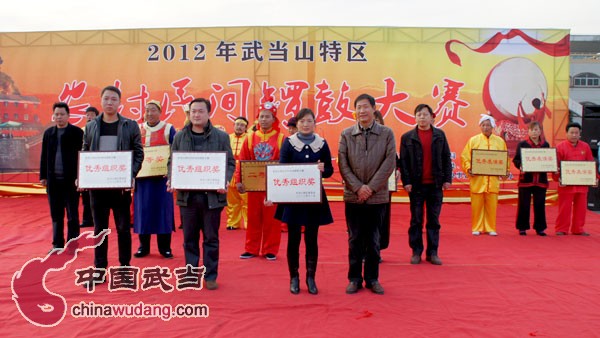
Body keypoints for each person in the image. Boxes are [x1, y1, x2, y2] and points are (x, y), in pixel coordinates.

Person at [167, 98, 235, 290]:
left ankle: (210, 275)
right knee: (189, 238)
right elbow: (173, 161)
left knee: (211, 238)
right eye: (193, 112)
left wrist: (225, 180)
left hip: (212, 197)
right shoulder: (180, 136)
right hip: (187, 197)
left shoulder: (221, 137)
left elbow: (230, 162)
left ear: (208, 113)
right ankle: (191, 274)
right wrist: (172, 178)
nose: (196, 115)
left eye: (200, 111)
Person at [338, 93, 396, 295]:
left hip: (377, 196)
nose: (362, 111)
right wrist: (357, 188)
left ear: (374, 108)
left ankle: (372, 279)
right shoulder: (346, 134)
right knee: (354, 238)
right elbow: (342, 164)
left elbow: (389, 163)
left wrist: (370, 188)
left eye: (365, 107)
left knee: (373, 239)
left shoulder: (386, 133)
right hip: (353, 196)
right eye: (358, 107)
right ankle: (354, 278)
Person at [83, 85, 144, 271]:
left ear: (120, 102)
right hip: (97, 188)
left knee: (123, 228)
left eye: (114, 99)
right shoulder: (91, 126)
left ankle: (125, 268)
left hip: (120, 188)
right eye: (106, 99)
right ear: (101, 101)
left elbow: (138, 153)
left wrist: (130, 175)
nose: (109, 102)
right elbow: (85, 152)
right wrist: (84, 175)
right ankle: (100, 269)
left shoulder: (129, 125)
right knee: (99, 230)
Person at [273, 108, 333, 295]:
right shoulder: (289, 143)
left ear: (314, 124)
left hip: (313, 197)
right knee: (293, 238)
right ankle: (294, 277)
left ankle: (310, 277)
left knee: (312, 238)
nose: (306, 124)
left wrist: (324, 169)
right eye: (302, 121)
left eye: (309, 121)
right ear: (296, 124)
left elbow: (330, 170)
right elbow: (282, 168)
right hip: (293, 197)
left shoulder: (321, 143)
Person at [399, 104, 452, 265]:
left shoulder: (440, 135)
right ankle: (416, 251)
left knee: (433, 220)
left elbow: (446, 158)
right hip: (416, 186)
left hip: (435, 185)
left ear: (432, 117)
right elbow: (404, 163)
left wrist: (447, 179)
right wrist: (406, 182)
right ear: (415, 118)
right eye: (419, 115)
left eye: (425, 114)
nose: (422, 117)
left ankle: (433, 252)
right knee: (416, 219)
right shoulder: (407, 137)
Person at [236, 100, 285, 261]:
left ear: (274, 119)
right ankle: (251, 248)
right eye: (261, 116)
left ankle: (270, 249)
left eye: (267, 117)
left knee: (272, 219)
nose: (263, 119)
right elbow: (241, 161)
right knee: (253, 217)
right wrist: (239, 180)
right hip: (253, 186)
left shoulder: (281, 139)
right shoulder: (250, 138)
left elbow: (284, 164)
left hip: (273, 188)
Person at [133, 100, 176, 258]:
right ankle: (143, 246)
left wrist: (171, 173)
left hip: (162, 179)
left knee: (162, 211)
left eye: (153, 110)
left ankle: (165, 247)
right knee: (143, 212)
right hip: (143, 179)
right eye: (147, 110)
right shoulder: (137, 129)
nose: (149, 113)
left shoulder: (169, 128)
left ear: (160, 112)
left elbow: (176, 151)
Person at [40, 102, 83, 251]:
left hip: (71, 181)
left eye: (62, 114)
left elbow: (82, 157)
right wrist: (43, 176)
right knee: (56, 214)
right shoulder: (48, 133)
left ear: (68, 115)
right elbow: (44, 156)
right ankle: (57, 244)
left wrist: (81, 178)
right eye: (56, 114)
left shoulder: (77, 133)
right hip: (53, 182)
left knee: (72, 215)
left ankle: (72, 245)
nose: (59, 117)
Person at [461, 114, 508, 236]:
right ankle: (476, 227)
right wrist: (469, 168)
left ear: (493, 126)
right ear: (480, 126)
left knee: (492, 206)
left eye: (488, 125)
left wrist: (505, 170)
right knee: (476, 206)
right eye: (483, 125)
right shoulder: (473, 140)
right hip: (478, 179)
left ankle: (490, 227)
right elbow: (465, 157)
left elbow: (504, 158)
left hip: (492, 180)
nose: (486, 127)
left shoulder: (499, 142)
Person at [554, 122, 595, 236]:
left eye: (576, 133)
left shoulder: (585, 146)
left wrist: (594, 178)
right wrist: (558, 178)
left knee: (581, 208)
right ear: (566, 133)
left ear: (580, 134)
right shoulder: (560, 147)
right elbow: (556, 166)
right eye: (571, 132)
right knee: (564, 208)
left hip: (581, 184)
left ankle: (578, 229)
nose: (574, 135)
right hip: (566, 184)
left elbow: (590, 163)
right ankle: (561, 228)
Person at [512, 121, 550, 236]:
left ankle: (540, 228)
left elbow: (548, 159)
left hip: (540, 181)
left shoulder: (545, 145)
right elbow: (516, 160)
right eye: (532, 130)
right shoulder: (522, 144)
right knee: (524, 205)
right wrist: (521, 166)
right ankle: (522, 227)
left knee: (540, 204)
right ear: (528, 131)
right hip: (526, 180)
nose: (535, 132)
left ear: (540, 131)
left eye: (537, 130)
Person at [225, 116, 249, 230]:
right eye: (237, 124)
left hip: (244, 171)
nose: (239, 127)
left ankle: (249, 223)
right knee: (231, 200)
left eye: (242, 125)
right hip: (230, 171)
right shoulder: (227, 138)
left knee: (247, 201)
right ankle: (233, 223)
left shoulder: (249, 138)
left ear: (246, 127)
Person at [80, 106, 99, 228]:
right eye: (87, 114)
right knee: (86, 197)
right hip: (87, 166)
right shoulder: (82, 130)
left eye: (92, 114)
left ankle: (97, 220)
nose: (89, 116)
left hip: (99, 165)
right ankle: (87, 220)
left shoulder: (100, 128)